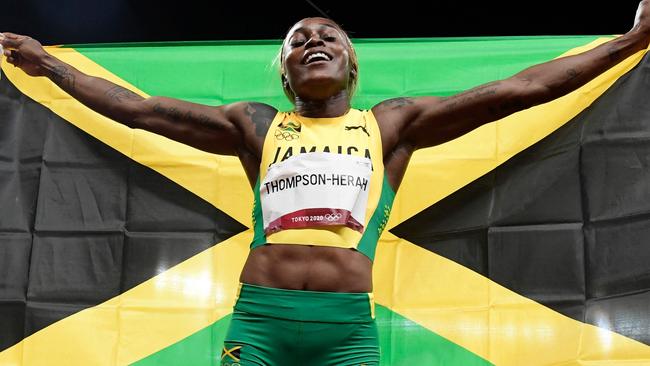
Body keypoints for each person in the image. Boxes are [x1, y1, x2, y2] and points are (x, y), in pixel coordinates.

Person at [2, 2, 650, 365]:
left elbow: (522, 91)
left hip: (346, 332)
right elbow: (139, 112)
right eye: (298, 40)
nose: (313, 41)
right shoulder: (254, 125)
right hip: (259, 324)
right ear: (285, 72)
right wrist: (49, 68)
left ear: (350, 64)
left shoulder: (393, 124)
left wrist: (627, 46)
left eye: (328, 36)